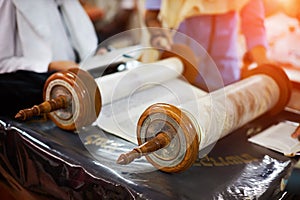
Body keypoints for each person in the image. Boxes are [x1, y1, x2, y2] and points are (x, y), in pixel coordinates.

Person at [0, 0, 98, 116]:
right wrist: (49, 65)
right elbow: (2, 63)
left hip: (69, 73)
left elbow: (79, 41)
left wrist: (94, 53)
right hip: (32, 78)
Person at [144, 0, 270, 89]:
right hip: (183, 69)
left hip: (225, 75)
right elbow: (151, 15)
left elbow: (253, 24)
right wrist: (159, 35)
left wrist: (263, 64)